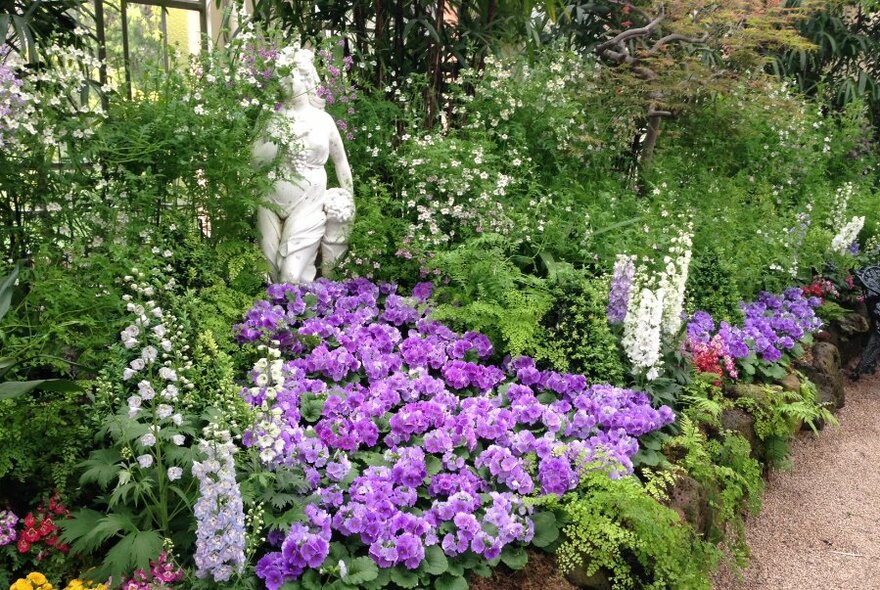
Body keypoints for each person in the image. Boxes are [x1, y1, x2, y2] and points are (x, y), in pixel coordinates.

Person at [253, 48, 354, 284]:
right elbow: (254, 161)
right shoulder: (269, 117)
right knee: (271, 275)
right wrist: (282, 140)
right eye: (280, 77)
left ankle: (301, 316)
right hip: (269, 202)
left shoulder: (322, 120)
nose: (284, 82)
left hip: (309, 202)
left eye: (291, 76)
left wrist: (349, 202)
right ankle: (277, 320)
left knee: (291, 276)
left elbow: (341, 162)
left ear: (307, 78)